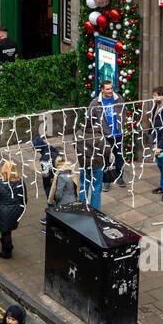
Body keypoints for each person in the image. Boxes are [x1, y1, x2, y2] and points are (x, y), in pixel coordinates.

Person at [80, 79, 125, 210]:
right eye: (107, 89)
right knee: (105, 159)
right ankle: (106, 181)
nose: (110, 91)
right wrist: (99, 131)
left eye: (111, 88)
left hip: (117, 134)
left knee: (119, 155)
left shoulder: (119, 99)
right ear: (102, 90)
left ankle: (119, 176)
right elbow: (89, 117)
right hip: (104, 136)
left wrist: (120, 126)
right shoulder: (95, 102)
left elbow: (122, 112)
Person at [0, 159, 27, 259]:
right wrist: (21, 209)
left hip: (2, 211)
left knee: (5, 231)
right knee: (8, 230)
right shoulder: (20, 182)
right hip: (16, 210)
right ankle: (6, 245)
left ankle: (7, 251)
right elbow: (24, 198)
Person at [42, 157, 78, 232]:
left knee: (61, 218)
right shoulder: (72, 172)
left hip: (64, 201)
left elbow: (58, 193)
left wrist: (55, 200)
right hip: (73, 198)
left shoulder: (61, 176)